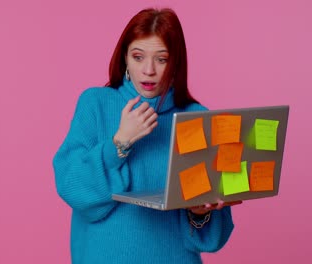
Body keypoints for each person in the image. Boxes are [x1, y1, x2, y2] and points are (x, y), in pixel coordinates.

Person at [53, 7, 240, 264]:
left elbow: (212, 239)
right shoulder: (95, 103)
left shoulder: (196, 117)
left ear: (175, 63)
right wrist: (119, 143)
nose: (148, 70)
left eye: (161, 59)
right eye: (138, 57)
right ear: (125, 59)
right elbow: (71, 187)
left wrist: (199, 212)